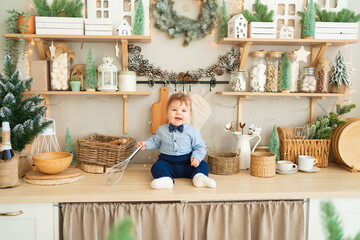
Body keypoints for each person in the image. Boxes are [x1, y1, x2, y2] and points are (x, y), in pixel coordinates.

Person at [137, 92, 216, 190]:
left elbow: (200, 146)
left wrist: (196, 157)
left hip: (188, 162)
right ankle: (166, 179)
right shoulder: (161, 129)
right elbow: (155, 142)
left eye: (183, 110)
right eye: (174, 110)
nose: (179, 113)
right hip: (167, 162)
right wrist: (146, 144)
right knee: (157, 167)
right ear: (167, 113)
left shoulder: (193, 131)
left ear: (189, 114)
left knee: (204, 165)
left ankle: (199, 177)